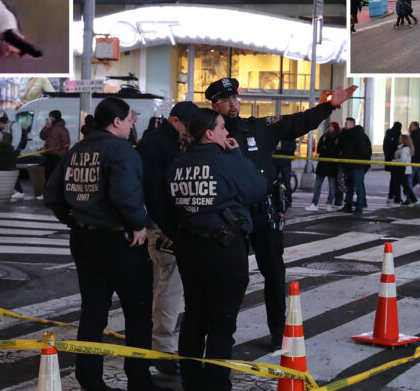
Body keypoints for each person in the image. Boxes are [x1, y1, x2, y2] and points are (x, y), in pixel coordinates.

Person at [203, 77, 357, 349]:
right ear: (215, 105)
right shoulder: (210, 135)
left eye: (235, 98)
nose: (232, 104)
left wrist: (329, 106)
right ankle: (220, 336)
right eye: (226, 101)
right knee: (230, 277)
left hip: (265, 213)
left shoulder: (259, 127)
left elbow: (297, 122)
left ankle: (278, 333)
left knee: (274, 274)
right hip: (231, 218)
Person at [43, 97, 166, 391]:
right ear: (116, 122)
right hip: (118, 240)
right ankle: (139, 380)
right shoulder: (120, 151)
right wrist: (137, 224)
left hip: (84, 239)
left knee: (93, 312)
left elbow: (52, 192)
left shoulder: (77, 150)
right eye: (129, 118)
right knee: (137, 313)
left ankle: (89, 378)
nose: (133, 121)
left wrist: (72, 220)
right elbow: (126, 193)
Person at [165, 108, 267, 391]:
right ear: (209, 133)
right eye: (222, 128)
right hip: (224, 250)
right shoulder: (225, 162)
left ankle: (191, 381)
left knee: (195, 318)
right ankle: (216, 385)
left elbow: (166, 204)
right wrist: (236, 156)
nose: (227, 133)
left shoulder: (177, 164)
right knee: (222, 323)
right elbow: (257, 188)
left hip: (189, 247)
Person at [135, 101, 199, 377]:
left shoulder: (174, 143)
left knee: (169, 285)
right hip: (164, 228)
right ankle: (161, 349)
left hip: (173, 226)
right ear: (175, 121)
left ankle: (161, 342)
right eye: (190, 124)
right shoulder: (156, 145)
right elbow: (151, 191)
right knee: (169, 285)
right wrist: (165, 227)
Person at [306, 122, 341, 211]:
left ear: (335, 128)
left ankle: (329, 204)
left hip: (332, 166)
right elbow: (320, 149)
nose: (330, 128)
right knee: (317, 185)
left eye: (332, 127)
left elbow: (336, 151)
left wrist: (326, 149)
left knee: (332, 187)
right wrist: (328, 149)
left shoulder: (339, 137)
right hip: (322, 165)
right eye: (329, 126)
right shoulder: (324, 136)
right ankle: (314, 204)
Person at [340, 118, 372, 215]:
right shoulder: (347, 135)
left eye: (346, 123)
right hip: (351, 165)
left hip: (357, 165)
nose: (345, 125)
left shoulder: (359, 136)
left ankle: (358, 206)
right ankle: (349, 205)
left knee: (357, 186)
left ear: (352, 124)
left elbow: (364, 151)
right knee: (350, 185)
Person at [39, 110, 70, 186]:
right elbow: (43, 136)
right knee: (48, 175)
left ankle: (54, 194)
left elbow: (66, 143)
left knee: (56, 176)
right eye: (50, 116)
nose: (50, 118)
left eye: (52, 116)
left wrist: (58, 153)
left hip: (57, 157)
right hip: (49, 155)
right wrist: (45, 128)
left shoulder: (62, 129)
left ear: (56, 117)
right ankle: (47, 193)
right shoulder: (50, 127)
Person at [393, 134, 418, 206]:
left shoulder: (403, 150)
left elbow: (402, 161)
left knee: (398, 185)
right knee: (405, 185)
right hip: (405, 169)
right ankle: (413, 199)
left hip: (402, 169)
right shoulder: (405, 149)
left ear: (404, 140)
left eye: (400, 138)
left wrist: (393, 161)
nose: (399, 139)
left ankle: (398, 201)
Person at [384, 122, 403, 206]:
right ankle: (397, 197)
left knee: (393, 178)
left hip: (389, 159)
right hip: (397, 160)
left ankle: (391, 196)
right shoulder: (398, 135)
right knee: (397, 180)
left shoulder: (388, 134)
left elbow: (385, 147)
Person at [274, 139, 297, 208]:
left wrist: (282, 148)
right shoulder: (275, 134)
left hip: (285, 162)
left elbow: (292, 148)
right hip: (275, 162)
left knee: (287, 182)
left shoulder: (289, 136)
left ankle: (288, 201)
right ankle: (275, 200)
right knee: (274, 182)